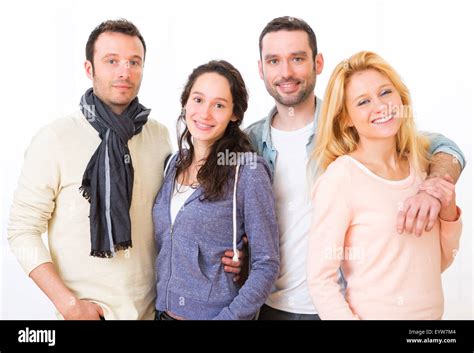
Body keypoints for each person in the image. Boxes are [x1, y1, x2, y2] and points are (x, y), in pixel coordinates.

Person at [6, 19, 240, 320]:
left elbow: (179, 216)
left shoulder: (158, 135)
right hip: (89, 313)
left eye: (134, 62)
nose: (124, 72)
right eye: (111, 61)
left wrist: (234, 247)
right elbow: (22, 230)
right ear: (89, 69)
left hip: (154, 310)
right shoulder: (55, 139)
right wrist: (69, 305)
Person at [246, 16, 465, 320]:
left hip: (343, 304)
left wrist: (436, 192)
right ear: (261, 68)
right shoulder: (249, 144)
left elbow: (446, 148)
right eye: (274, 60)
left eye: (297, 58)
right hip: (275, 305)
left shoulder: (369, 137)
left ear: (317, 62)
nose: (286, 72)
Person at [306, 51, 462, 319]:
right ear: (345, 118)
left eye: (385, 93)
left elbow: (439, 262)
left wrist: (447, 210)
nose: (380, 106)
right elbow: (320, 281)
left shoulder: (423, 167)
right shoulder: (341, 179)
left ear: (401, 97)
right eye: (363, 101)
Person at [152, 60, 280, 320]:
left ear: (234, 114)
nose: (205, 113)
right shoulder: (172, 164)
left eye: (219, 105)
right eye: (198, 100)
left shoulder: (247, 170)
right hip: (162, 313)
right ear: (185, 102)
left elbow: (266, 264)